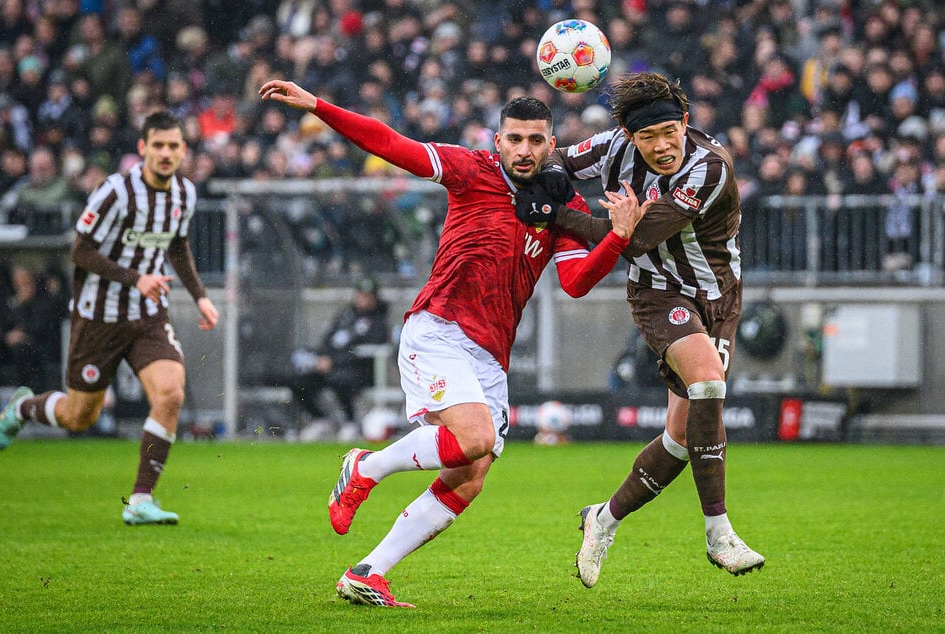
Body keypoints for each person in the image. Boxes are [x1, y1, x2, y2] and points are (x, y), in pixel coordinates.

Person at [259, 78, 647, 608]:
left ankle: (368, 571)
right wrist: (321, 107)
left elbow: (577, 283)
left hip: (490, 355)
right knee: (474, 439)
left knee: (470, 476)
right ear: (498, 141)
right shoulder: (473, 172)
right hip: (438, 328)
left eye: (536, 140)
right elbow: (393, 145)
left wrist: (617, 236)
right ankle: (364, 467)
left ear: (551, 145)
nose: (525, 150)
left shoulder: (560, 205)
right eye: (515, 139)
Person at [515, 71, 765, 586]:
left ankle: (602, 519)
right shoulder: (610, 146)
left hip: (716, 296)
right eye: (648, 137)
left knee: (680, 436)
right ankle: (719, 533)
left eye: (669, 131)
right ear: (630, 137)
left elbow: (632, 238)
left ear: (686, 124)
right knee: (708, 381)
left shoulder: (709, 168)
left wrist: (557, 213)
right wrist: (548, 181)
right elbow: (556, 159)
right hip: (657, 291)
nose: (662, 145)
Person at [0, 111, 220, 526]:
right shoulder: (116, 192)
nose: (167, 153)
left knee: (170, 393)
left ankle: (140, 500)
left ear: (183, 151)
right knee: (80, 416)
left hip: (148, 315)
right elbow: (79, 251)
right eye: (159, 145)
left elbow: (178, 247)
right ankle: (22, 408)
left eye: (174, 146)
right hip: (98, 317)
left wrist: (201, 298)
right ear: (143, 149)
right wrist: (135, 279)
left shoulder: (185, 194)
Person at [289, 275, 391, 442]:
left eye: (368, 296)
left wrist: (334, 362)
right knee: (298, 381)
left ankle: (350, 422)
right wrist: (321, 358)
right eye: (361, 295)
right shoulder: (346, 315)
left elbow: (364, 350)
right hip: (329, 365)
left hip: (358, 371)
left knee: (339, 380)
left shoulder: (378, 321)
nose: (363, 300)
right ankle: (320, 420)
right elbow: (328, 340)